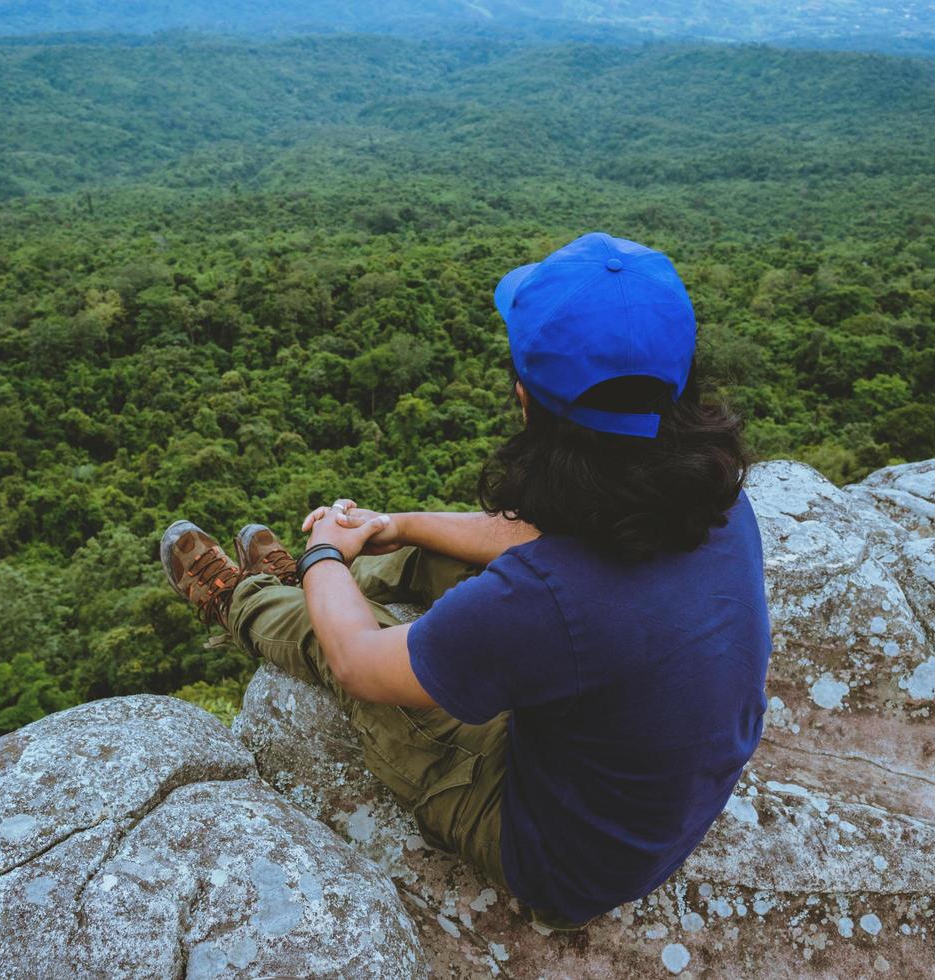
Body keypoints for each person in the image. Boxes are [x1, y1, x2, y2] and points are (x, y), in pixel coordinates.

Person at [159, 231, 772, 931]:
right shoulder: (714, 501)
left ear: (527, 399)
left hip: (557, 855)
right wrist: (398, 524)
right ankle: (336, 574)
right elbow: (534, 544)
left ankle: (245, 597)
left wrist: (324, 553)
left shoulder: (548, 599)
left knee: (341, 636)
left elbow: (361, 662)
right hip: (651, 793)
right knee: (432, 562)